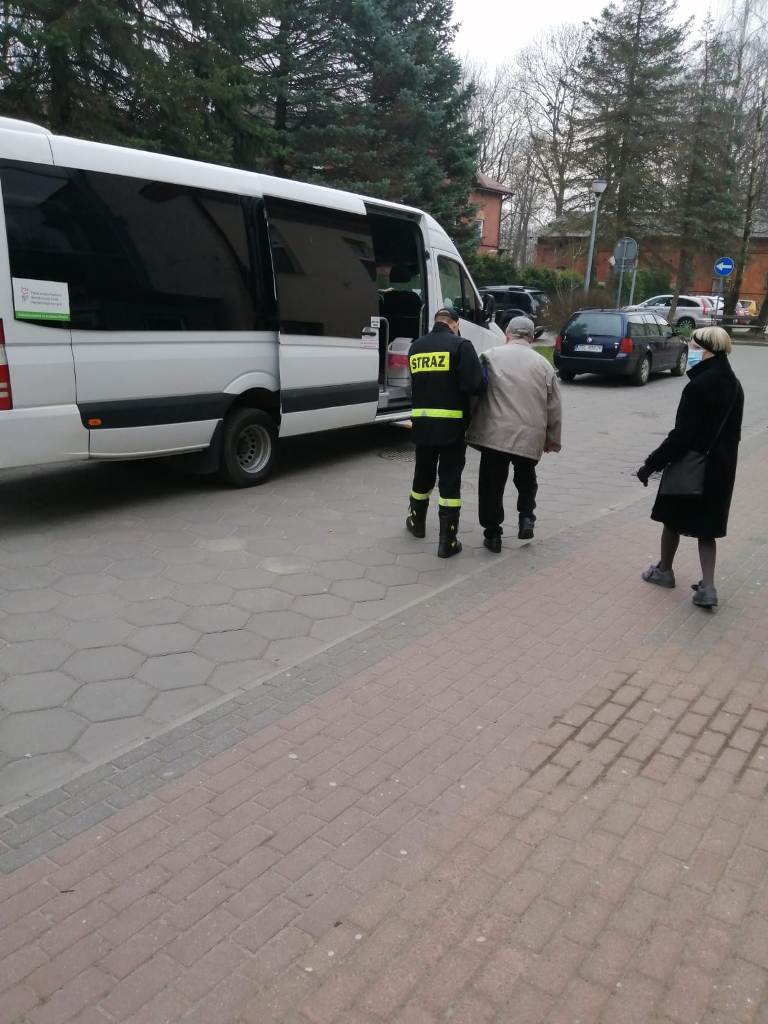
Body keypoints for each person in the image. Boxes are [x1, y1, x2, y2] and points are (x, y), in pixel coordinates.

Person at [637, 326, 744, 608]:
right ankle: (708, 587)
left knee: (671, 518)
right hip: (720, 469)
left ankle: (664, 571)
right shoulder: (735, 385)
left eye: (695, 347)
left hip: (690, 466)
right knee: (707, 528)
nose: (692, 351)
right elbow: (734, 434)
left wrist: (651, 465)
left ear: (708, 351)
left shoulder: (698, 386)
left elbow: (681, 436)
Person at [466, 315, 562, 553]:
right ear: (531, 337)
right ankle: (526, 517)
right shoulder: (544, 365)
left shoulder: (489, 356)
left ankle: (493, 534)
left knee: (491, 485)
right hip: (530, 436)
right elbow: (554, 407)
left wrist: (469, 422)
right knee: (526, 478)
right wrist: (551, 440)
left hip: (494, 434)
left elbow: (474, 393)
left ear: (507, 333)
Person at [406, 307, 484, 558]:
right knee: (449, 481)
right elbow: (475, 385)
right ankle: (447, 541)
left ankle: (416, 522)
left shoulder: (416, 347)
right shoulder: (461, 346)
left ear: (436, 322)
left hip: (422, 425)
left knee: (422, 474)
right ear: (455, 323)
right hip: (452, 428)